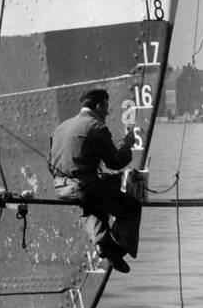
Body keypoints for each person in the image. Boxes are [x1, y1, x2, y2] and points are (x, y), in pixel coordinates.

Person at [49, 88, 141, 273]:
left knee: (95, 199)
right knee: (132, 207)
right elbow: (115, 162)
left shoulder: (60, 128)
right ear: (99, 106)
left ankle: (101, 242)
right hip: (83, 187)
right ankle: (115, 247)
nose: (107, 112)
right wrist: (126, 145)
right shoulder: (96, 127)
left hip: (61, 188)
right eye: (106, 107)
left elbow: (51, 165)